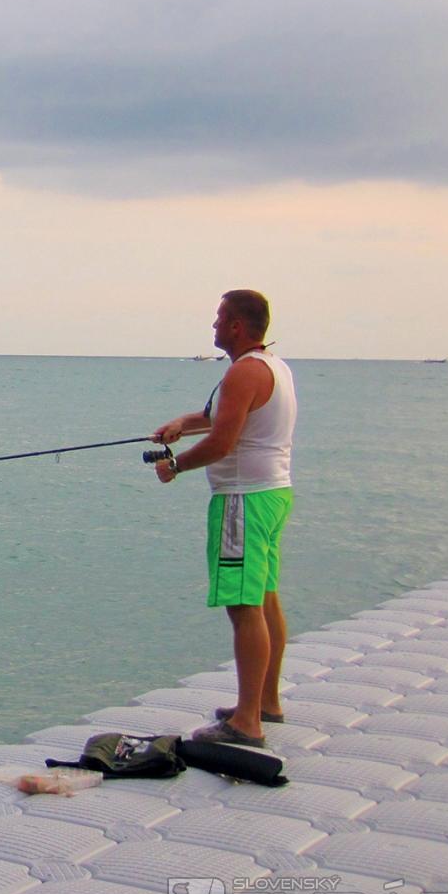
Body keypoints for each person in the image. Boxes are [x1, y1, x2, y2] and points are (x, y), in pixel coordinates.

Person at [151, 289, 297, 747]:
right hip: (273, 494)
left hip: (242, 501)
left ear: (236, 325)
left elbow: (222, 443)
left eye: (219, 318)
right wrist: (182, 423)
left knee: (243, 606)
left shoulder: (242, 373)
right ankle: (266, 702)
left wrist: (175, 466)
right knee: (265, 597)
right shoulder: (273, 367)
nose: (213, 325)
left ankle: (247, 722)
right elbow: (219, 418)